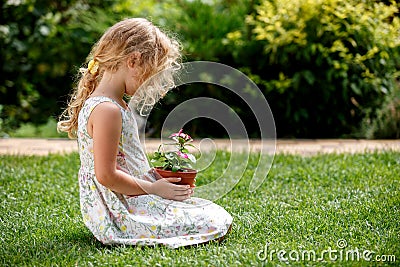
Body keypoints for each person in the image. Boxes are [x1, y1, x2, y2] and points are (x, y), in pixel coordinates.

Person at [58, 18, 232, 248]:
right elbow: (106, 176)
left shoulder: (115, 104)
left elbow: (126, 162)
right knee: (213, 219)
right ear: (133, 61)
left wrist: (158, 179)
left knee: (209, 212)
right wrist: (153, 188)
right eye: (151, 76)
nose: (150, 86)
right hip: (120, 213)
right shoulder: (107, 110)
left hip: (130, 198)